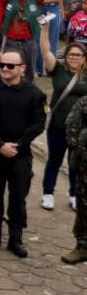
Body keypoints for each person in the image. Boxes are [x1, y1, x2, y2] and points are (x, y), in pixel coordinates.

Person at [0, 51, 46, 258]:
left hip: (20, 154)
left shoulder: (35, 94)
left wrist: (18, 145)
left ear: (22, 68)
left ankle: (16, 239)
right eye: (2, 65)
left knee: (18, 198)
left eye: (10, 66)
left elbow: (39, 123)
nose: (5, 68)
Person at [39, 28, 86, 211]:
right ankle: (48, 194)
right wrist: (44, 30)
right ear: (65, 56)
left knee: (77, 162)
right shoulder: (58, 70)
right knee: (54, 160)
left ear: (84, 58)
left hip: (81, 128)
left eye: (78, 55)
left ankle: (74, 194)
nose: (74, 58)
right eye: (71, 54)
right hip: (58, 125)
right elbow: (45, 51)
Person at [62, 95, 87, 264]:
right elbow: (71, 125)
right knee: (84, 206)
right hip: (85, 164)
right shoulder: (84, 102)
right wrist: (80, 149)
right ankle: (83, 246)